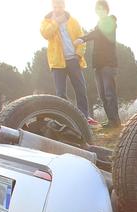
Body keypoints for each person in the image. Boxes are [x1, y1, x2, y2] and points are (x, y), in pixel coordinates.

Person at [40, 0, 96, 124]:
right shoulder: (47, 21)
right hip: (57, 62)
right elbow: (46, 34)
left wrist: (78, 55)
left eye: (60, 6)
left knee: (80, 89)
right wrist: (56, 22)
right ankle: (65, 120)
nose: (57, 9)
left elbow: (81, 39)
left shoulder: (73, 21)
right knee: (60, 93)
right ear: (52, 7)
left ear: (64, 6)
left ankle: (83, 118)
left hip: (73, 59)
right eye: (55, 6)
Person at [76, 1, 121, 129]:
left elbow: (97, 33)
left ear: (106, 10)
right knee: (102, 94)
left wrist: (83, 38)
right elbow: (96, 33)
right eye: (98, 9)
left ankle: (115, 121)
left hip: (108, 64)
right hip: (98, 65)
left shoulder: (110, 22)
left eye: (102, 9)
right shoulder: (98, 25)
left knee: (109, 93)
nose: (100, 11)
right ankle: (111, 120)